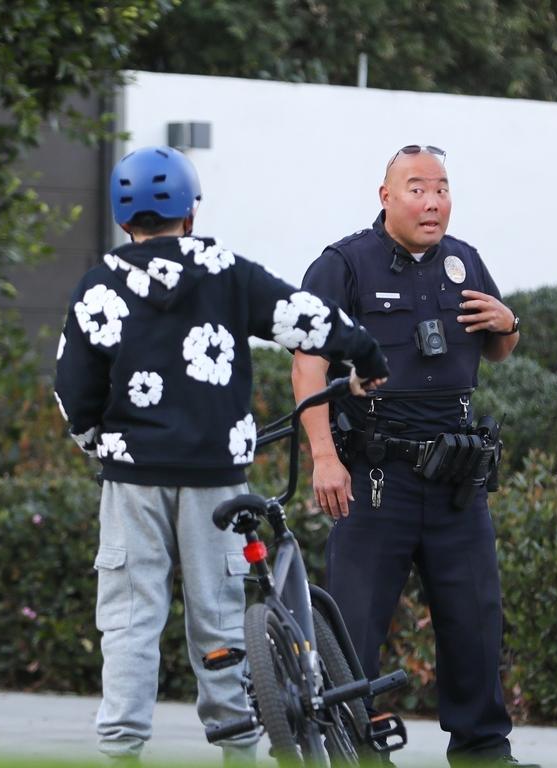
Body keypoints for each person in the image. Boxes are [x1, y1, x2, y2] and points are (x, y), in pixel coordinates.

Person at [54, 145, 388, 763]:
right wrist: (366, 355)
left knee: (130, 618)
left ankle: (122, 749)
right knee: (217, 613)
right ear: (191, 210)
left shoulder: (99, 286)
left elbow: (73, 393)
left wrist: (100, 444)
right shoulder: (227, 273)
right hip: (216, 478)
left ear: (124, 218)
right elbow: (303, 318)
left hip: (134, 481)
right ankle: (236, 747)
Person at [292, 144, 534, 767]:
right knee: (356, 624)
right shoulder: (345, 264)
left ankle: (483, 750)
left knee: (475, 619)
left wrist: (510, 323)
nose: (433, 202)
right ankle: (356, 748)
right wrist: (324, 455)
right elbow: (307, 361)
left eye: (442, 188)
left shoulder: (464, 261)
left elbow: (498, 348)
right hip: (376, 474)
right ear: (386, 196)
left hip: (456, 475)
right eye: (418, 188)